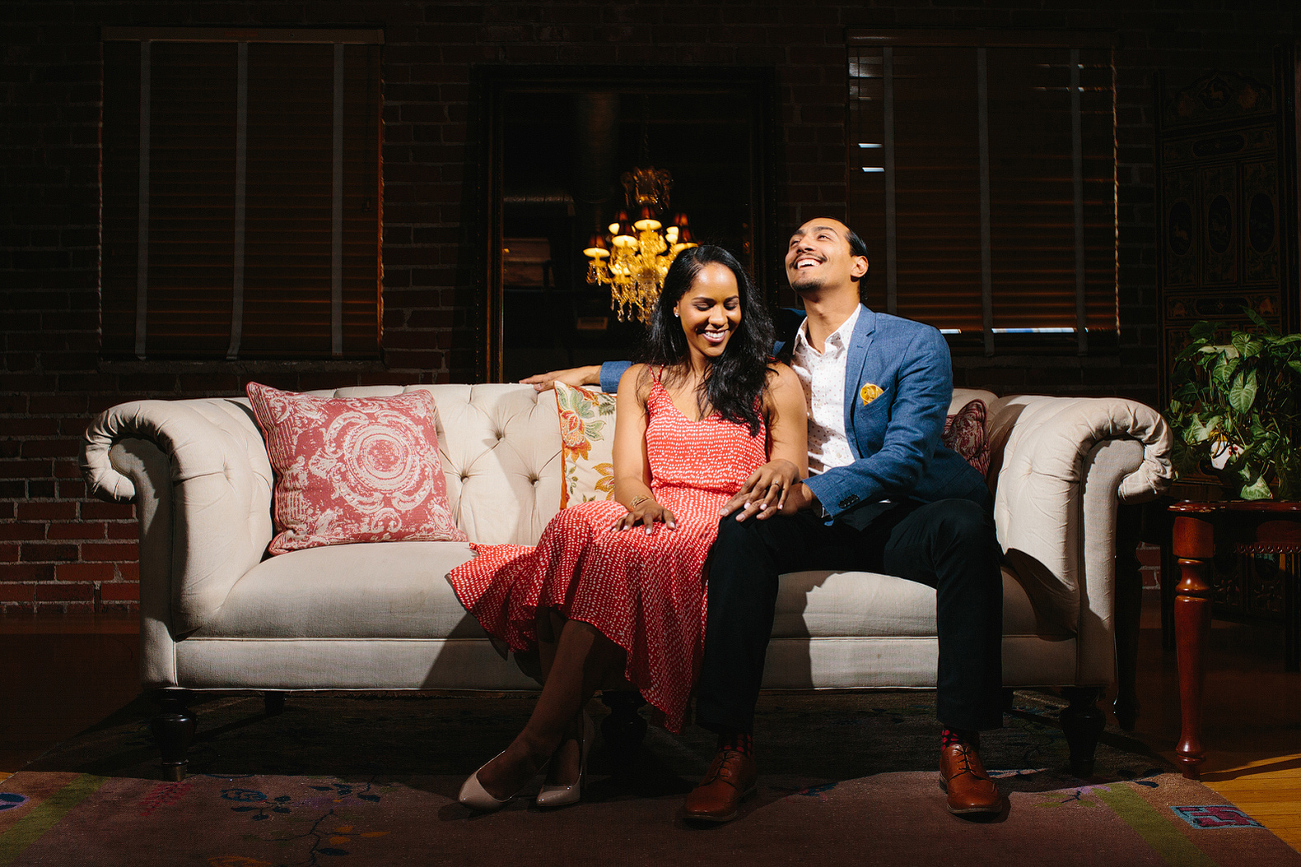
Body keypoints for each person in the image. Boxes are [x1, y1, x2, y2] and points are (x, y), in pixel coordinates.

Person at [523, 217, 1005, 821]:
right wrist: (592, 373)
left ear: (859, 265)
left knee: (966, 528)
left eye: (823, 237)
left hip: (895, 512)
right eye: (794, 240)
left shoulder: (913, 342)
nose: (803, 244)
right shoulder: (772, 340)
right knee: (740, 531)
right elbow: (686, 357)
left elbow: (905, 457)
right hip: (795, 512)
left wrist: (817, 492)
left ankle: (962, 744)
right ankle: (732, 749)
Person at [448, 245, 808, 811]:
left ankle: (536, 744)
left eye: (732, 306)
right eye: (704, 304)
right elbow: (628, 476)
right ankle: (568, 739)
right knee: (574, 526)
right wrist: (639, 503)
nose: (720, 318)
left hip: (720, 516)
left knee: (613, 555)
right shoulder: (644, 379)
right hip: (655, 505)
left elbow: (791, 465)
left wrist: (781, 466)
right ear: (676, 309)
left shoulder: (773, 379)